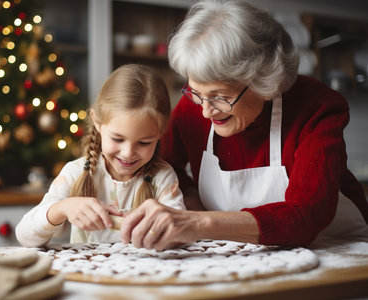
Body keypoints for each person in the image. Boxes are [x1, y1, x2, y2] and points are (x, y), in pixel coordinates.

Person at [120, 0, 368, 251]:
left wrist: (199, 222)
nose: (206, 110)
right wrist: (192, 200)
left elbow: (307, 214)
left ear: (265, 81)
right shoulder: (194, 108)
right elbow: (166, 165)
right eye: (196, 92)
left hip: (337, 248)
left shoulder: (316, 107)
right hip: (242, 250)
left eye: (221, 97)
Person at [16, 64, 185, 247]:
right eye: (118, 139)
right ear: (97, 122)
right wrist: (63, 208)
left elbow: (181, 235)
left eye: (144, 142)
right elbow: (25, 236)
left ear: (161, 133)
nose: (128, 153)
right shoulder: (75, 173)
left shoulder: (163, 177)